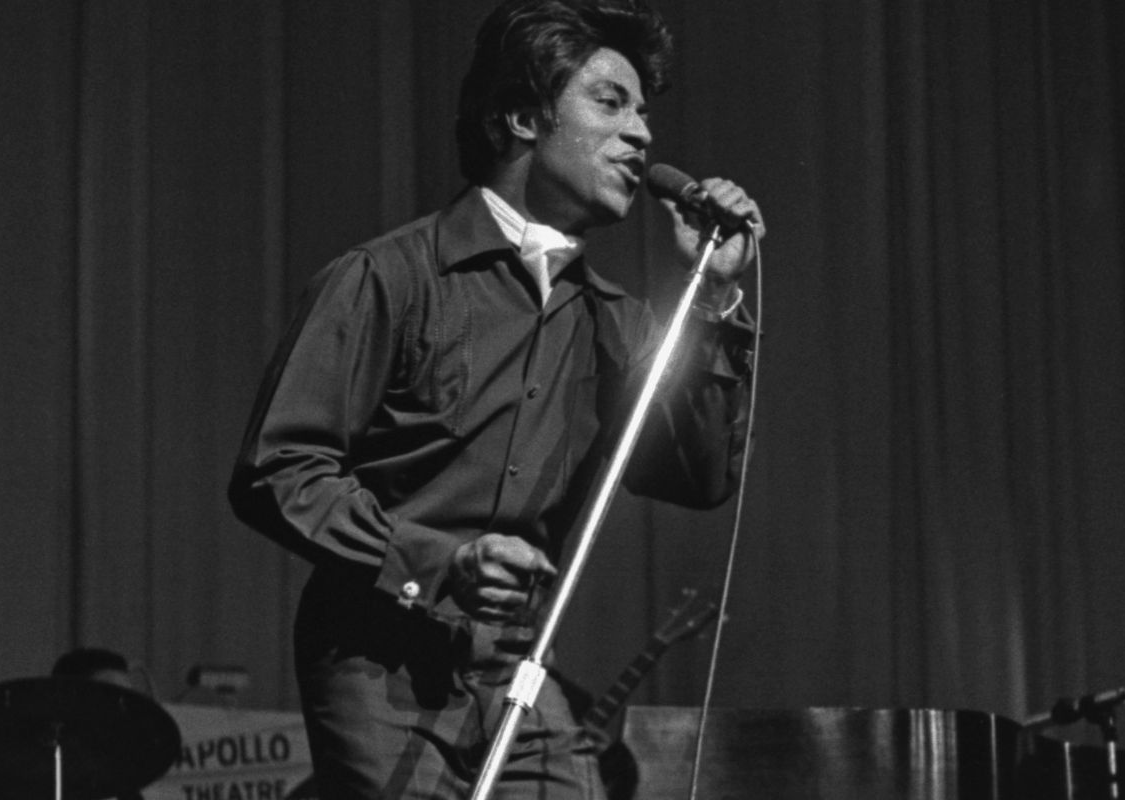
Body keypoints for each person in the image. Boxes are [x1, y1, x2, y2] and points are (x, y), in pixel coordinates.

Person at [228, 1, 765, 797]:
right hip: (382, 662)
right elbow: (278, 471)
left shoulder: (614, 320)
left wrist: (714, 298)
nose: (644, 135)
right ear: (520, 116)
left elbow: (698, 476)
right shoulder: (390, 278)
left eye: (645, 112)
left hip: (517, 663)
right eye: (611, 103)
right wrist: (442, 561)